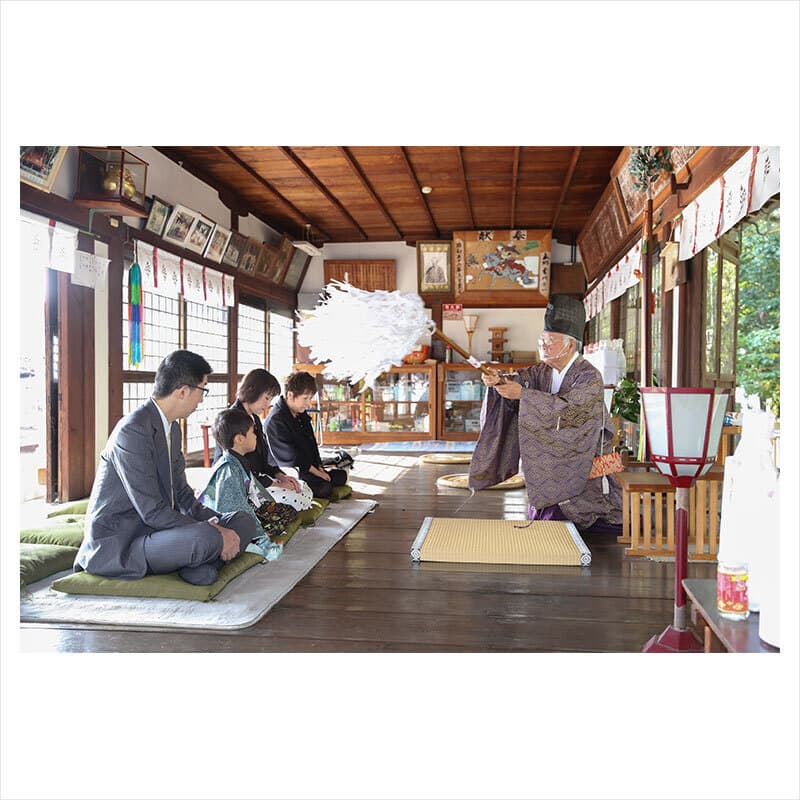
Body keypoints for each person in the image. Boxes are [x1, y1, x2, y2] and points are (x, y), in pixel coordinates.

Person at [74, 350, 257, 585]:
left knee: (243, 521)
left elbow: (183, 496)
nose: (202, 399)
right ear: (182, 391)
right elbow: (151, 511)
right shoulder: (133, 430)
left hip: (161, 532)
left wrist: (219, 523)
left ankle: (200, 563)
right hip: (126, 541)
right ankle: (203, 560)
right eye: (203, 389)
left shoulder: (172, 428)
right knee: (206, 537)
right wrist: (215, 531)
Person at [470, 294, 622, 532]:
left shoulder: (588, 376)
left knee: (586, 517)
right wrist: (498, 381)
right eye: (541, 340)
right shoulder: (543, 370)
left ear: (569, 345)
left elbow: (574, 413)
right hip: (553, 453)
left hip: (583, 454)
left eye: (549, 340)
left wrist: (524, 396)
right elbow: (522, 380)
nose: (542, 346)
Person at [201, 408, 301, 561]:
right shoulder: (227, 468)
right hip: (232, 520)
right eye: (253, 432)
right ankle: (254, 539)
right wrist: (260, 532)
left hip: (249, 509)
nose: (256, 436)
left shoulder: (238, 460)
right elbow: (233, 507)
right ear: (240, 439)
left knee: (287, 511)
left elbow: (255, 491)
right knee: (268, 521)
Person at [213, 368, 309, 504]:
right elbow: (241, 471)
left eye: (270, 399)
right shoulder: (232, 419)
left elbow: (264, 461)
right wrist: (277, 484)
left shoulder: (255, 418)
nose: (268, 404)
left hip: (260, 479)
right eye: (266, 398)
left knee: (301, 488)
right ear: (252, 391)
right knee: (295, 497)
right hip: (242, 486)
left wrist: (280, 476)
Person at [265, 370, 348, 499]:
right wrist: (319, 474)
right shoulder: (276, 420)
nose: (308, 403)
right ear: (290, 395)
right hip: (294, 472)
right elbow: (292, 457)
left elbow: (312, 444)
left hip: (311, 468)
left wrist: (320, 468)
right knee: (324, 488)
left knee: (341, 475)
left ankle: (323, 480)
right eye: (305, 398)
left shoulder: (300, 412)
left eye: (310, 398)